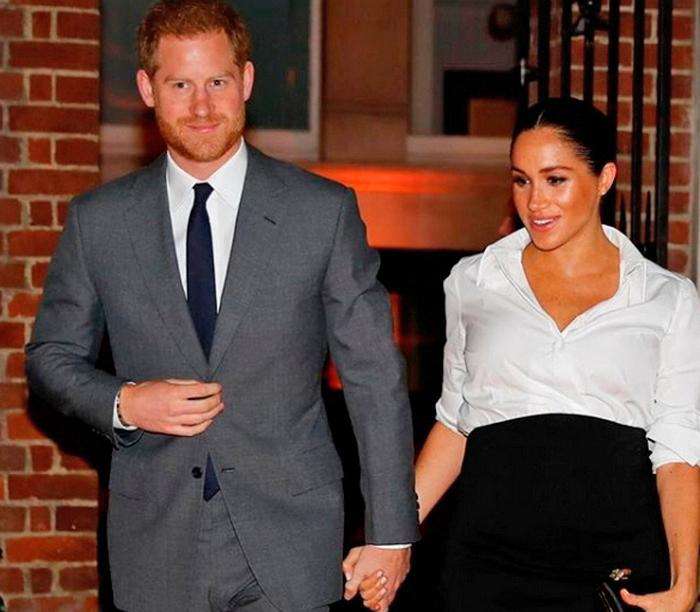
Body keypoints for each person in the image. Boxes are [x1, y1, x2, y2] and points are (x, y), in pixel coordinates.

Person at [25, 1, 419, 610]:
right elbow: (50, 358)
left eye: (217, 82)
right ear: (147, 90)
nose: (202, 107)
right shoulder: (99, 221)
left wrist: (391, 533)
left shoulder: (321, 212)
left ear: (247, 81)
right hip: (155, 539)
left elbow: (374, 376)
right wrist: (126, 402)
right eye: (180, 85)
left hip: (291, 539)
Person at [352, 97, 700, 611]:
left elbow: (678, 448)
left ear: (604, 178)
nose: (535, 202)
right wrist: (391, 537)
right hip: (488, 562)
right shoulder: (475, 281)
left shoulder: (667, 298)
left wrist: (687, 582)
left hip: (613, 565)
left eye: (555, 180)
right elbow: (457, 422)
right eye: (521, 180)